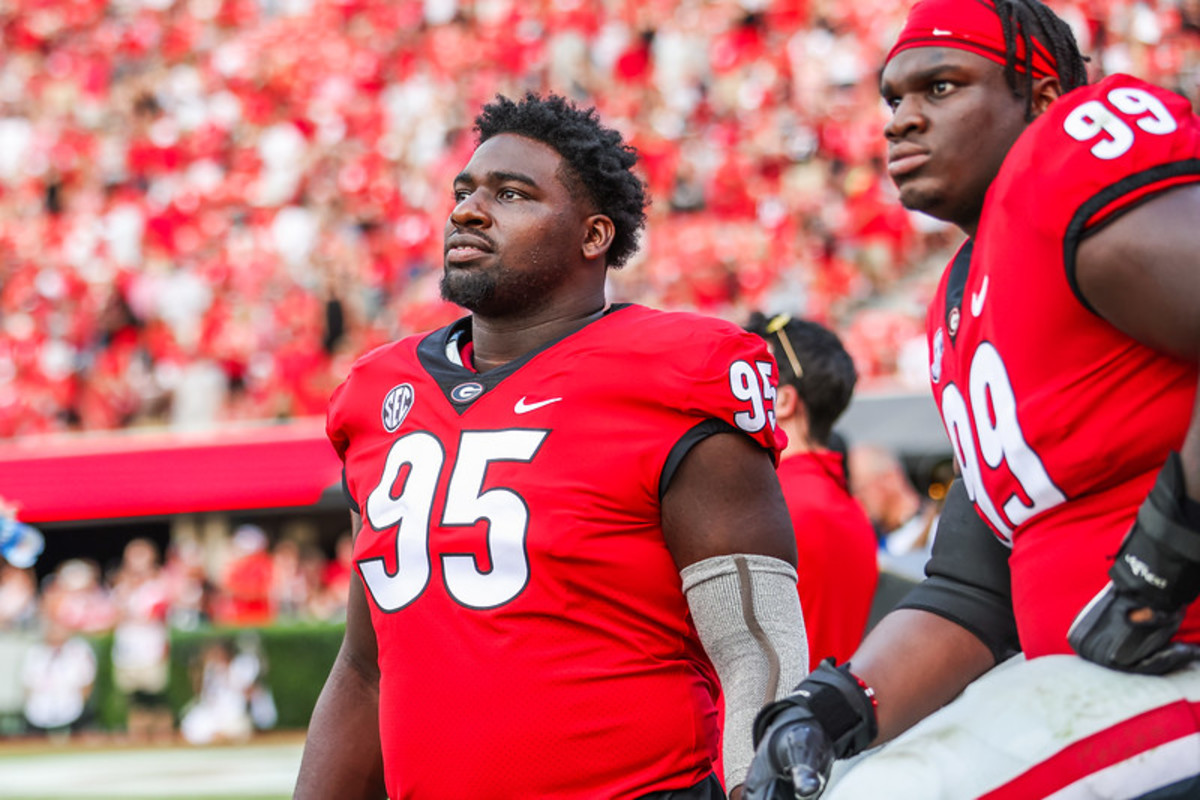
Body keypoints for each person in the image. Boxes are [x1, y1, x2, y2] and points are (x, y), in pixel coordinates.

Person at [294, 92, 808, 800]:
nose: (469, 211)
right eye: (465, 191)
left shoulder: (675, 371)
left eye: (512, 194)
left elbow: (757, 647)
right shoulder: (377, 394)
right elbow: (365, 667)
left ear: (593, 236)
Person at [745, 1, 1200, 798]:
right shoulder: (961, 299)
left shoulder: (1065, 157)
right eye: (893, 99)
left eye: (942, 87)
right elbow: (971, 586)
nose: (902, 121)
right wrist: (831, 705)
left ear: (1046, 98)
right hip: (1098, 676)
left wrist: (1164, 558)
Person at [746, 312, 878, 669]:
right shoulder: (850, 507)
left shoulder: (769, 502)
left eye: (748, 381)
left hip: (750, 720)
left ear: (785, 402)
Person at [848, 443, 940, 582]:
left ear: (890, 478)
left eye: (860, 490)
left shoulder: (939, 525)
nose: (856, 500)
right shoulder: (871, 548)